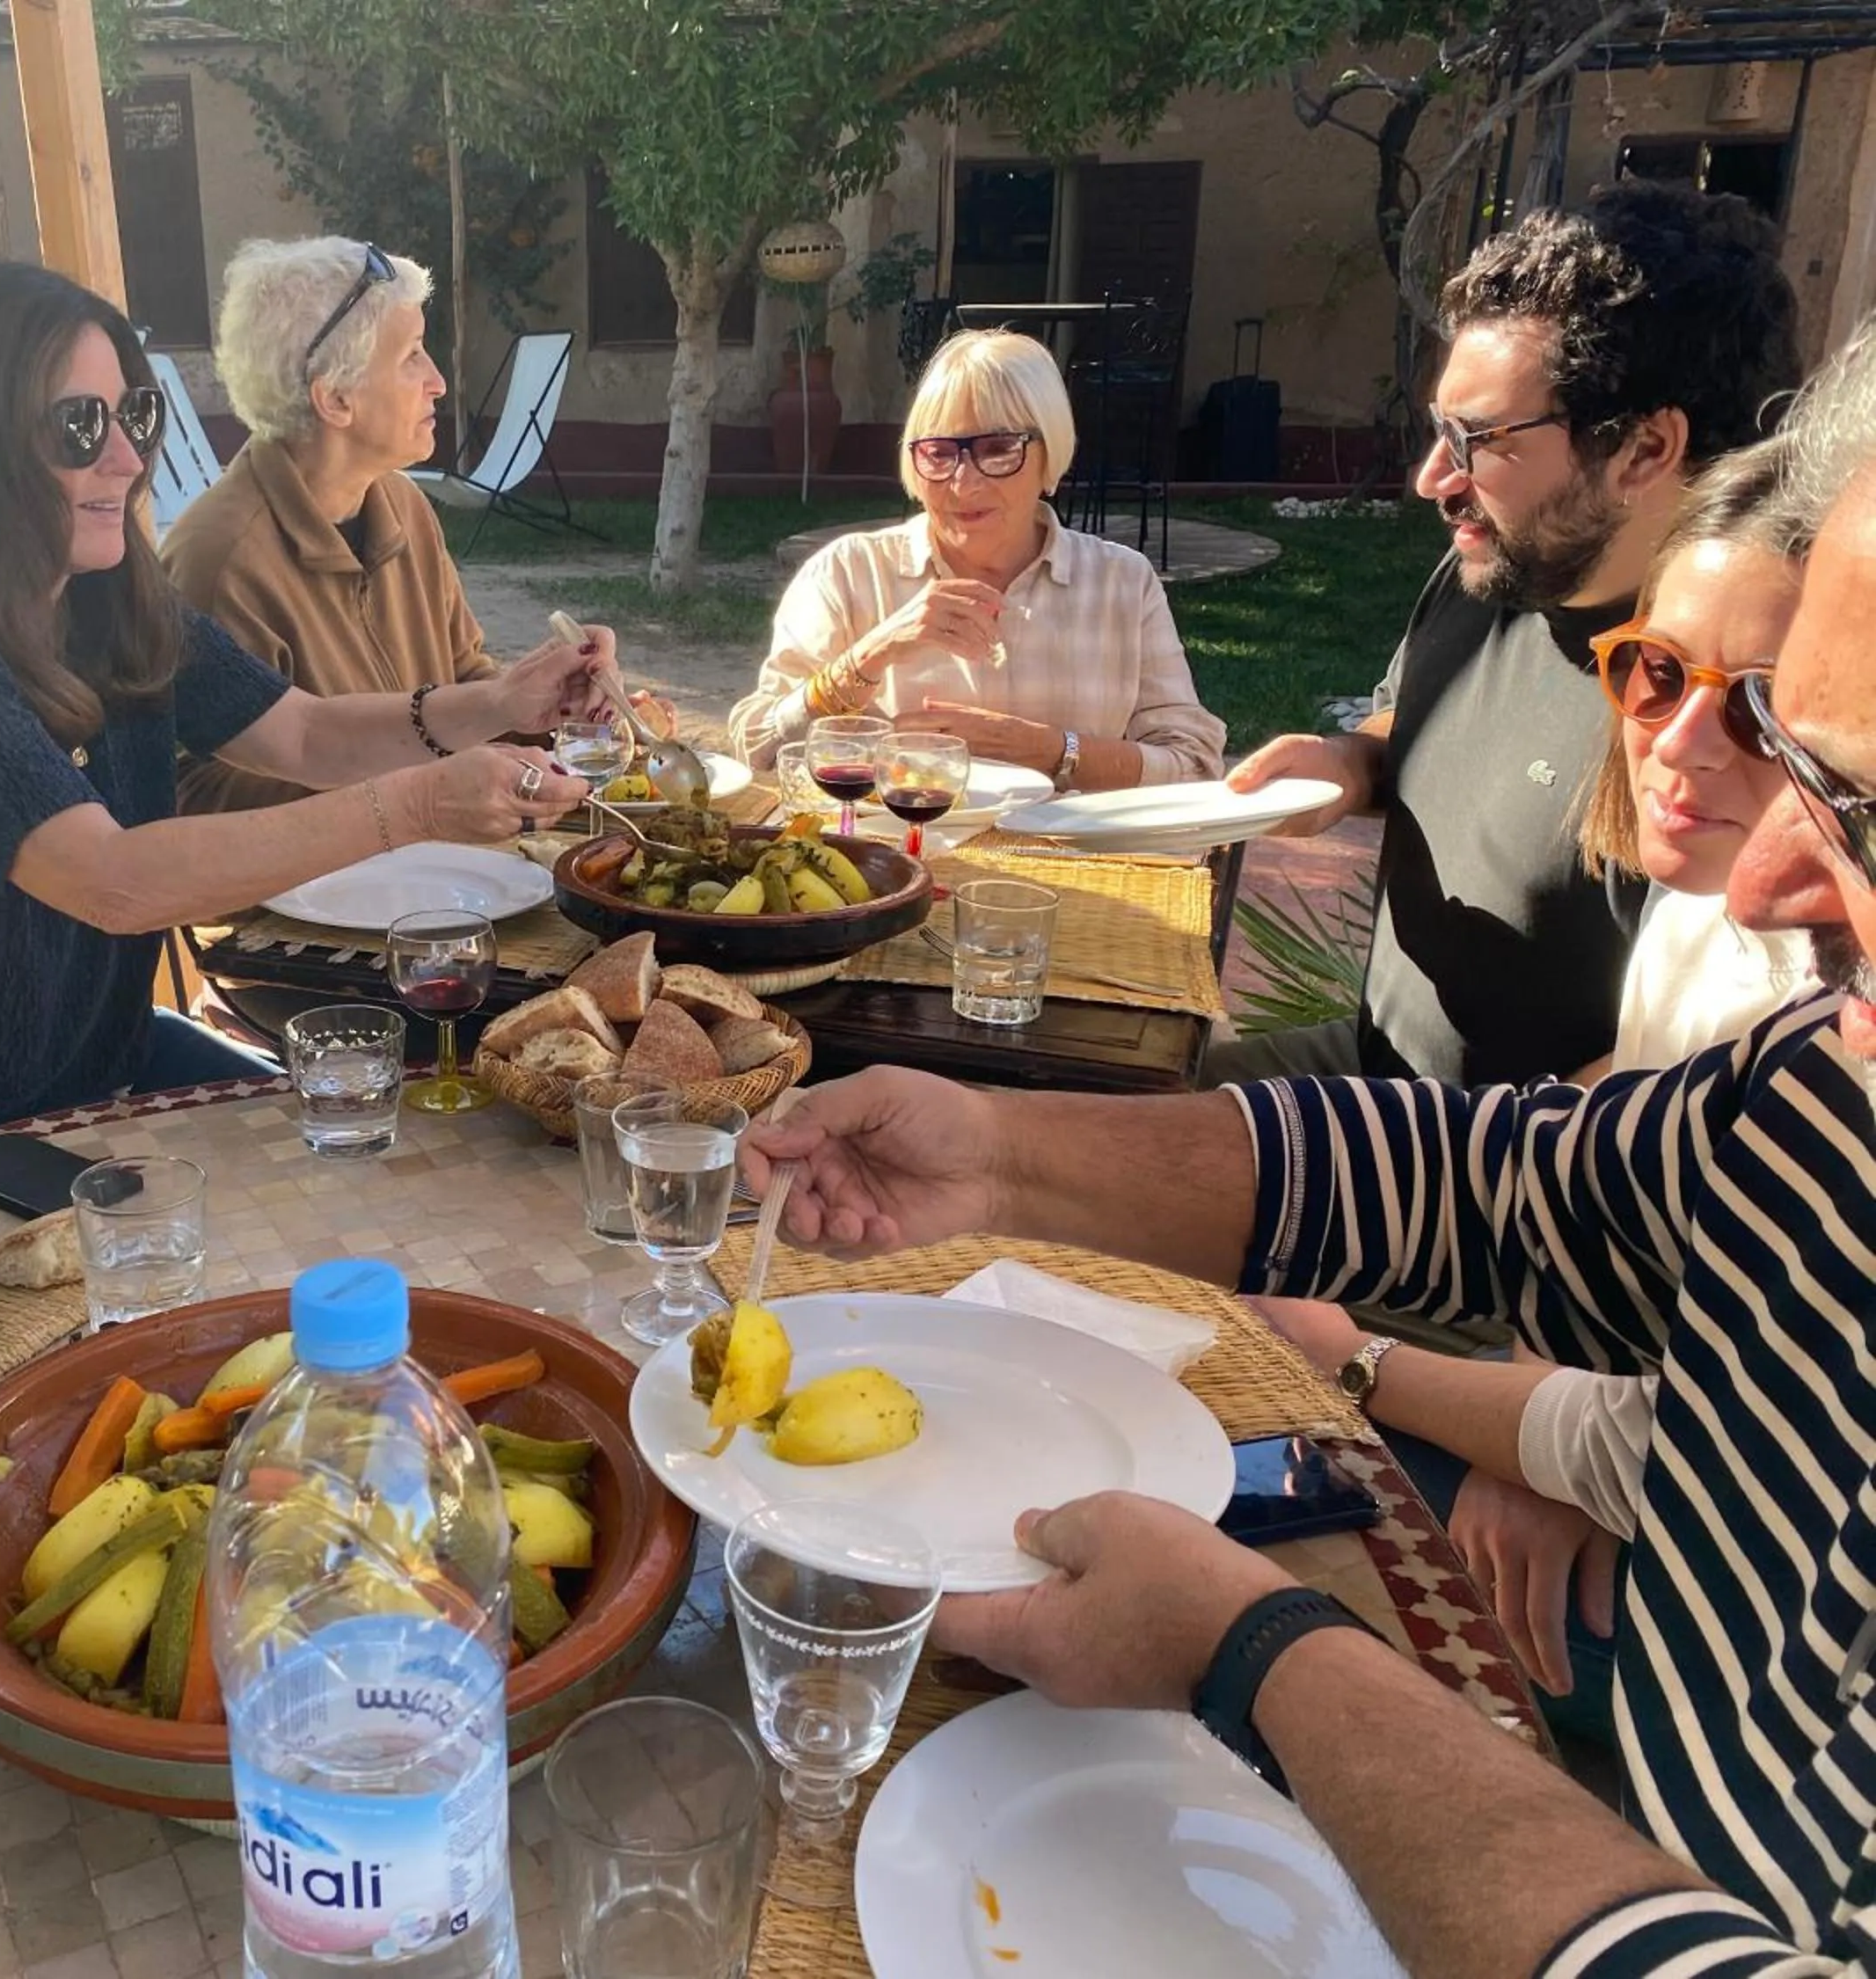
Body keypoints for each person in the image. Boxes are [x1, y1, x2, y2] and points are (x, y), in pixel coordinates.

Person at [738, 321, 1876, 1974]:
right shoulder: (1825, 1089)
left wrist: (1249, 1645)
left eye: (1844, 799)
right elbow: (1504, 1184)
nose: (1767, 883)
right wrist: (1000, 1156)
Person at [1253, 435, 1814, 1737]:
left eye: (1767, 709)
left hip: (1718, 1587)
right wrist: (1535, 1377)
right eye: (1655, 674)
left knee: (1259, 1588)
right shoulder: (1711, 901)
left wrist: (1364, 1367)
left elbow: (1676, 1443)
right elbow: (1611, 1124)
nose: (1676, 746)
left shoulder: (1816, 986)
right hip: (1553, 1360)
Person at [0, 257, 607, 1139]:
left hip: (110, 1070)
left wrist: (504, 702)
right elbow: (111, 881)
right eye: (78, 427)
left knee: (423, 1137)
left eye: (134, 416)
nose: (126, 457)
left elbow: (301, 735)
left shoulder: (103, 590)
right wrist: (419, 806)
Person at [1215, 180, 1801, 1087]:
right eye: (1440, 431)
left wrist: (1423, 1173)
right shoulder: (1488, 575)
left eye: (1478, 439)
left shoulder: (1728, 716)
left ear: (1645, 450)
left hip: (1504, 1180)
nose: (1431, 479)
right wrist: (1346, 762)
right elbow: (1402, 725)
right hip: (1366, 1071)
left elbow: (1708, 1068)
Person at [728, 327, 1224, 787]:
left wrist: (1052, 751)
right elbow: (759, 748)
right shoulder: (849, 574)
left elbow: (1196, 768)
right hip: (899, 867)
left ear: (1049, 455)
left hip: (1083, 870)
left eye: (998, 448)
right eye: (940, 453)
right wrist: (868, 656)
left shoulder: (1122, 583)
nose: (965, 483)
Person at [165, 238, 499, 816]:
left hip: (440, 874)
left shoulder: (402, 505)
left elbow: (467, 676)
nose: (438, 381)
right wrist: (413, 792)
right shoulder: (221, 560)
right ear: (336, 399)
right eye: (413, 355)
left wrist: (558, 718)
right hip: (312, 904)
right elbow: (197, 797)